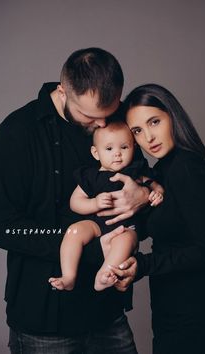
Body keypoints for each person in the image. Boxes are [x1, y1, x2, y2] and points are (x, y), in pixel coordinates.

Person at [0, 48, 152, 354]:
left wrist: (142, 198)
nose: (103, 125)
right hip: (43, 319)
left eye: (110, 112)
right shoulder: (17, 133)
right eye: (90, 117)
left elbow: (139, 205)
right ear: (62, 91)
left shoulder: (114, 123)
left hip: (108, 313)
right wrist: (81, 244)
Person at [110, 84, 205, 354]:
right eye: (137, 131)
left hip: (195, 313)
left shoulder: (186, 166)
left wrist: (143, 264)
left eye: (154, 122)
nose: (148, 137)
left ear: (172, 116)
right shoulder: (163, 169)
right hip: (172, 307)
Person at [49, 119, 163, 292]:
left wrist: (155, 193)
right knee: (74, 231)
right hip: (96, 224)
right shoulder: (90, 176)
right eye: (109, 149)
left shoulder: (135, 171)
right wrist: (94, 203)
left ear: (133, 147)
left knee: (126, 240)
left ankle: (104, 273)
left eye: (124, 147)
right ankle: (69, 276)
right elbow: (75, 202)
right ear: (96, 153)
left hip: (126, 228)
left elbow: (155, 185)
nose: (117, 154)